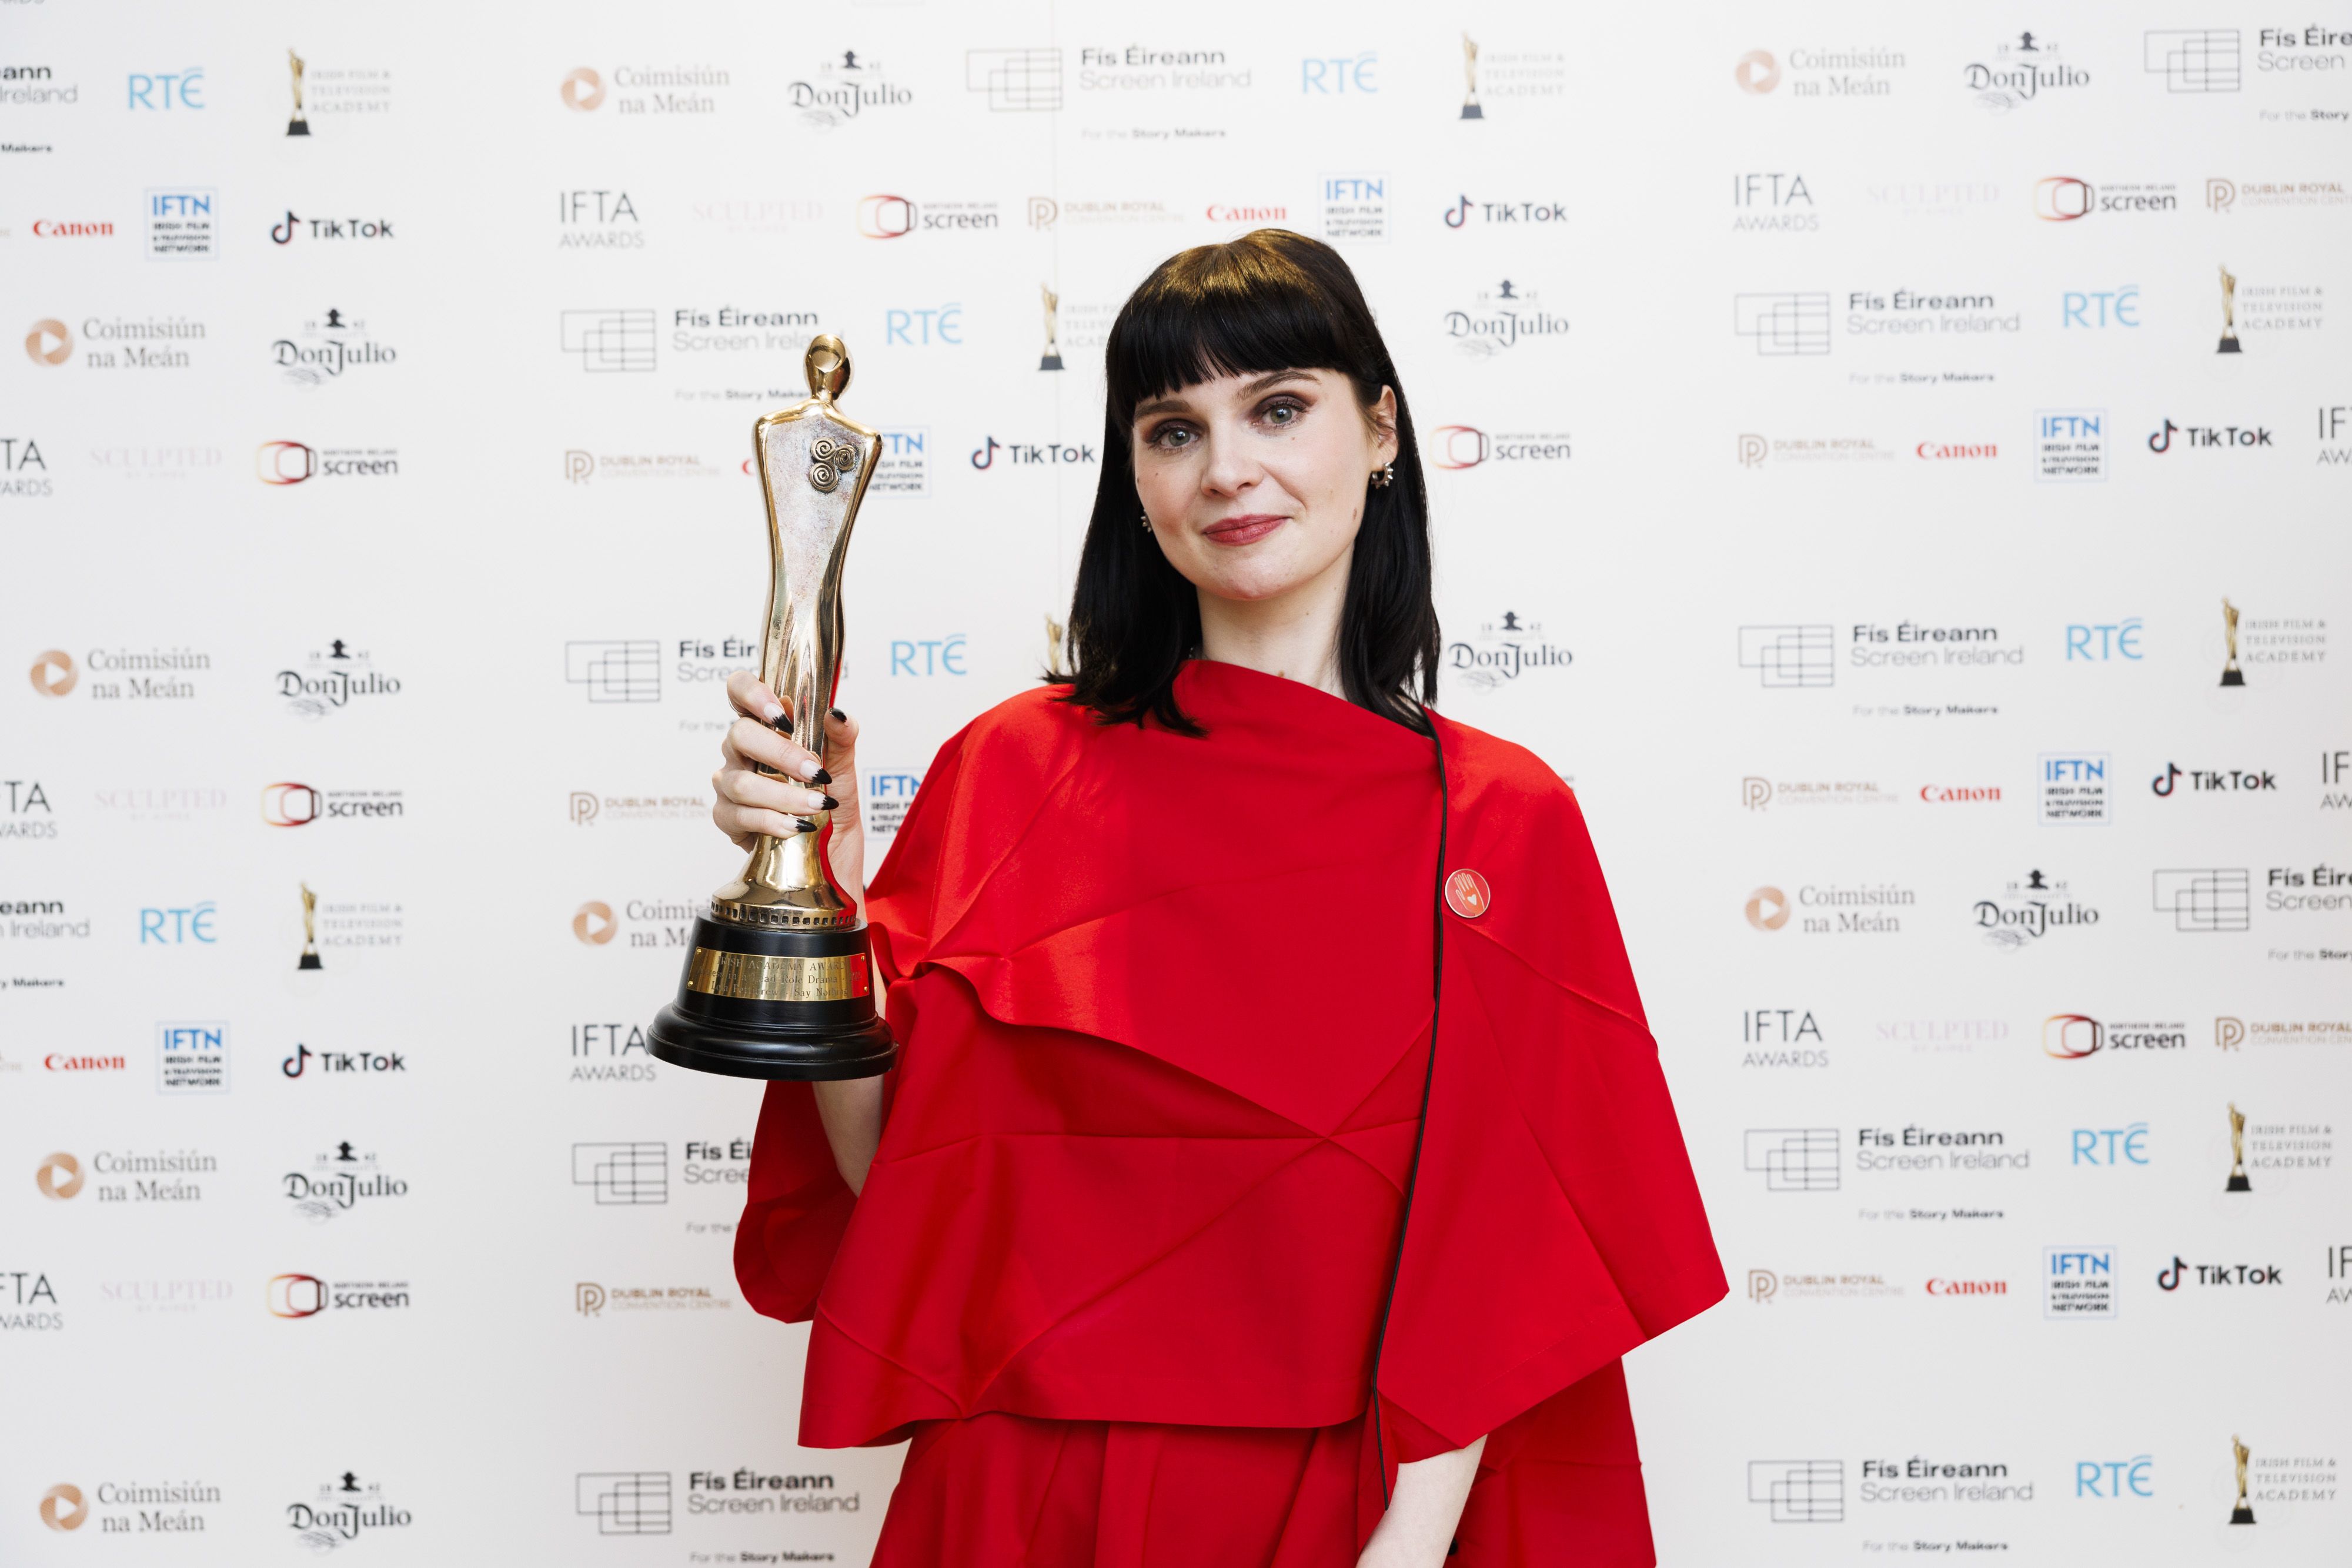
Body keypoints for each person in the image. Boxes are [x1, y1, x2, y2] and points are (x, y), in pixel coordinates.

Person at [710, 229, 1725, 1567]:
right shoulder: (1005, 773)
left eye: (1279, 408)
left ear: (1380, 431)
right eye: (1171, 428)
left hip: (1348, 1508)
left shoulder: (1499, 819)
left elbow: (1512, 1270)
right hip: (1016, 1501)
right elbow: (894, 1180)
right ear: (1133, 480)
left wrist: (1402, 1551)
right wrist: (820, 887)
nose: (1227, 467)